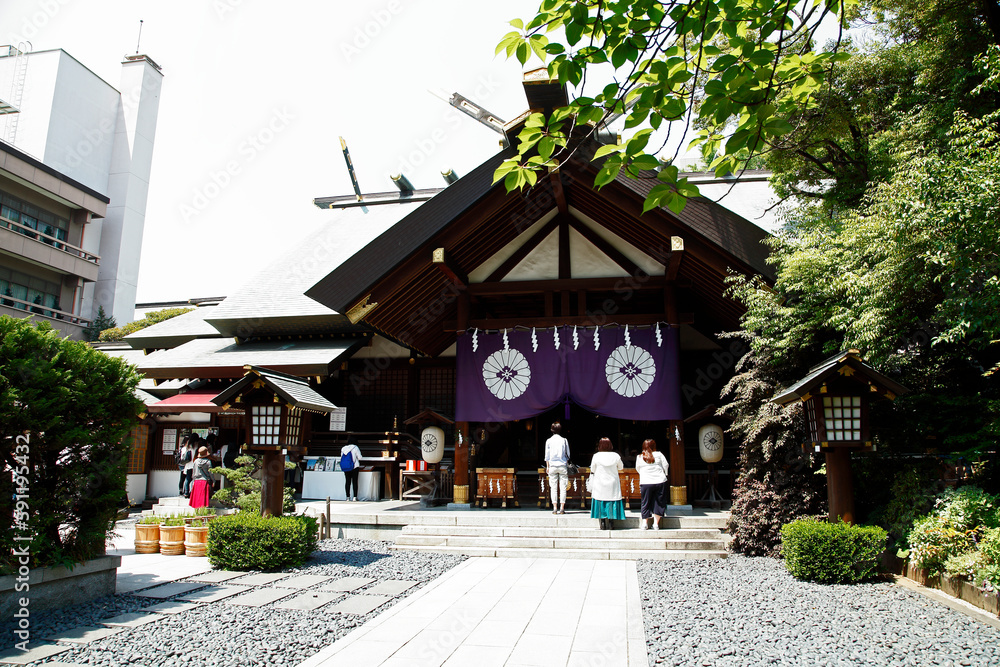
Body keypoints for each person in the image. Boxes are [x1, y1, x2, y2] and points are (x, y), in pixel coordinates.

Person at [589, 437, 625, 530]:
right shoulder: (616, 456)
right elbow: (621, 467)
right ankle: (611, 521)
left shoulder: (596, 456)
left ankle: (602, 521)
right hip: (612, 482)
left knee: (600, 499)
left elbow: (592, 469)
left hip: (600, 481)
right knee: (611, 500)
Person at [636, 439, 669, 530]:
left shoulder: (639, 457)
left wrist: (643, 474)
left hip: (645, 481)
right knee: (659, 501)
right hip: (659, 480)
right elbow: (666, 465)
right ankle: (656, 524)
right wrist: (665, 473)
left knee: (645, 502)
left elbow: (637, 468)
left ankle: (645, 523)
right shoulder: (659, 454)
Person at [544, 421, 571, 515]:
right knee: (563, 487)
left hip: (552, 466)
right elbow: (568, 455)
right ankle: (562, 508)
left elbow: (547, 456)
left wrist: (547, 466)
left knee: (553, 488)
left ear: (552, 430)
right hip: (562, 465)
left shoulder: (548, 441)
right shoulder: (564, 440)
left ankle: (555, 507)